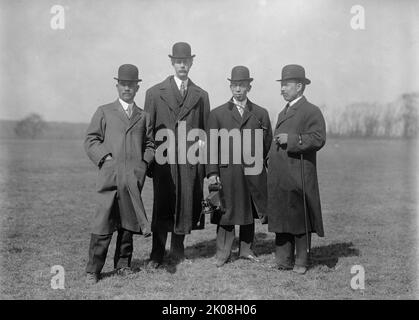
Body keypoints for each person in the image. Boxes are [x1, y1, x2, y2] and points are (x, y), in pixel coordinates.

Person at [84, 64, 155, 283]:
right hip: (110, 177)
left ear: (137, 88)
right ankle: (93, 270)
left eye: (131, 85)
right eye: (123, 84)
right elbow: (91, 139)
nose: (127, 89)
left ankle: (123, 264)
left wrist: (143, 164)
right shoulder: (104, 111)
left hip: (132, 178)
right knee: (103, 223)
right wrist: (105, 158)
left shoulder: (144, 116)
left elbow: (150, 144)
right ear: (117, 86)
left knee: (128, 222)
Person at [144, 42, 210, 268]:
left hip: (189, 162)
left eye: (186, 61)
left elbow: (205, 133)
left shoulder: (201, 95)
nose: (183, 65)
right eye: (178, 61)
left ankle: (178, 251)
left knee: (185, 205)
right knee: (162, 206)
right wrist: (151, 163)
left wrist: (201, 163)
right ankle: (156, 254)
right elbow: (148, 131)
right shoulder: (154, 93)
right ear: (172, 63)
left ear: (192, 62)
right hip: (164, 161)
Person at [206, 66, 272, 267]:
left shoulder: (260, 113)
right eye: (234, 85)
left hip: (253, 172)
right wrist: (212, 172)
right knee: (225, 212)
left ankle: (246, 250)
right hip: (227, 173)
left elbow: (267, 143)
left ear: (249, 87)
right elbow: (210, 146)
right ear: (230, 86)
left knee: (248, 210)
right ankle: (223, 253)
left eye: (242, 85)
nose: (238, 89)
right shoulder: (217, 114)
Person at [267, 64, 326, 274]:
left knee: (300, 218)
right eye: (281, 85)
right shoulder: (285, 110)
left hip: (299, 174)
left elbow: (319, 138)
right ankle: (283, 261)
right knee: (282, 215)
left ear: (300, 86)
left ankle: (301, 261)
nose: (282, 89)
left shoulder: (311, 111)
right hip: (281, 176)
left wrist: (292, 139)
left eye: (286, 84)